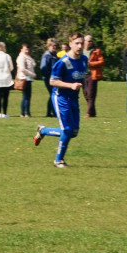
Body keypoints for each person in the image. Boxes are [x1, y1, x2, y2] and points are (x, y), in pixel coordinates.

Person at [33, 32, 87, 168]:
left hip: (74, 98)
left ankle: (43, 130)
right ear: (70, 44)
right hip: (61, 98)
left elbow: (80, 78)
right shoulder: (62, 62)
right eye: (77, 43)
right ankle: (58, 160)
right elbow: (52, 81)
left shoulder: (84, 59)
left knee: (73, 132)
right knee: (67, 130)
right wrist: (70, 85)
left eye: (82, 43)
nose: (80, 46)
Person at [84, 34, 104, 118]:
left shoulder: (96, 51)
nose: (90, 42)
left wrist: (91, 63)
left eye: (91, 41)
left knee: (91, 94)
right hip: (82, 75)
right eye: (88, 41)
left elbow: (102, 62)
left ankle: (88, 113)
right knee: (86, 94)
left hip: (92, 75)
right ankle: (93, 112)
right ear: (84, 42)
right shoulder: (80, 50)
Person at [15, 43, 36, 118]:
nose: (27, 50)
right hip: (24, 78)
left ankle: (23, 112)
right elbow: (22, 69)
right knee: (26, 96)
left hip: (28, 78)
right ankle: (26, 113)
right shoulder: (21, 57)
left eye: (28, 49)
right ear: (21, 49)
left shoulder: (28, 56)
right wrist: (32, 74)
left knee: (26, 96)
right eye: (25, 49)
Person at [40, 38, 58, 118]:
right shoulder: (47, 55)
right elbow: (43, 67)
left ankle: (51, 112)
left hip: (54, 78)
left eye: (55, 46)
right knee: (53, 94)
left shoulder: (54, 55)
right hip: (48, 78)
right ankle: (51, 112)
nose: (54, 47)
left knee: (53, 94)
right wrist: (49, 76)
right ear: (49, 46)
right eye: (53, 46)